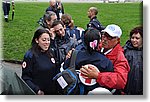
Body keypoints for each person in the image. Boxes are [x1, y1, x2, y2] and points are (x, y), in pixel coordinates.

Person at [80, 24, 130, 94]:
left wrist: (97, 76)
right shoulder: (99, 46)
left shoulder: (120, 57)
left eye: (109, 37)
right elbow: (85, 46)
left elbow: (121, 81)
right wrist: (74, 52)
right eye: (104, 35)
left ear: (117, 40)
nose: (105, 39)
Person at [64, 28, 114, 94]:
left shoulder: (75, 55)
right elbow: (109, 83)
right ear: (99, 42)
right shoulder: (106, 62)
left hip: (75, 92)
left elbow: (65, 68)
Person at [21, 28, 59, 95]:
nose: (47, 42)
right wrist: (36, 90)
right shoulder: (30, 56)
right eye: (44, 40)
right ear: (37, 40)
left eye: (48, 40)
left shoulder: (51, 52)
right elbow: (26, 78)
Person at [123, 26, 143, 95]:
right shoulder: (125, 51)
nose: (134, 40)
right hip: (127, 89)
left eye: (137, 38)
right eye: (132, 38)